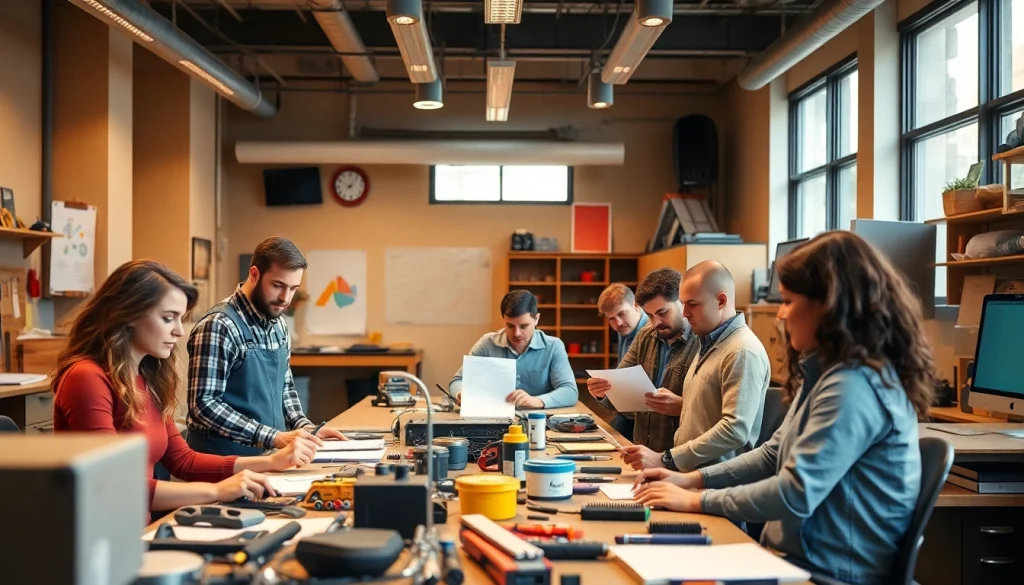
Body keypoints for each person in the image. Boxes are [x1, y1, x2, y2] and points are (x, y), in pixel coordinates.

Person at [633, 231, 935, 584]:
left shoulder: (854, 387)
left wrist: (697, 501)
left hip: (822, 573)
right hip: (792, 560)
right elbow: (771, 454)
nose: (780, 312)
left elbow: (795, 493)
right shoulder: (826, 374)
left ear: (830, 304)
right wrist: (690, 479)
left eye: (790, 300)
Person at [52, 260, 319, 513]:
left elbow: (184, 461)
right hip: (99, 540)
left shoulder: (147, 377)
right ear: (129, 315)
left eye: (181, 319)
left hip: (137, 529)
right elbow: (113, 485)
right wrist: (216, 492)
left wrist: (270, 462)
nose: (180, 331)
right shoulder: (86, 377)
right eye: (169, 318)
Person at [187, 237, 346, 456]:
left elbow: (285, 386)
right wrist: (274, 437)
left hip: (267, 456)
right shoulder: (219, 326)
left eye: (293, 289)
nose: (285, 298)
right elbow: (204, 405)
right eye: (278, 286)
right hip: (221, 462)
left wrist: (305, 429)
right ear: (254, 274)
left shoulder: (278, 324)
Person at [622, 261, 769, 471]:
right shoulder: (709, 343)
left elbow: (734, 430)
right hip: (691, 474)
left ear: (720, 301)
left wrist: (667, 459)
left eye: (693, 303)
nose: (685, 312)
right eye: (683, 303)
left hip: (715, 483)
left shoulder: (742, 351)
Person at [587, 268, 699, 453]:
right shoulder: (645, 335)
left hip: (681, 454)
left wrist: (682, 407)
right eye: (650, 316)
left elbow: (716, 413)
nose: (656, 323)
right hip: (643, 448)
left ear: (682, 302)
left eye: (663, 312)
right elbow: (617, 388)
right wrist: (602, 391)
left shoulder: (702, 340)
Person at [449, 289, 577, 409]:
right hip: (494, 418)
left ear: (536, 319)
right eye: (510, 326)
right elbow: (457, 381)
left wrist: (537, 401)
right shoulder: (487, 344)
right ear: (504, 320)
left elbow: (570, 391)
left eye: (524, 326)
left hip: (539, 422)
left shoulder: (553, 346)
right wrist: (461, 393)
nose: (517, 333)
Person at [598, 283, 648, 438]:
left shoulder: (650, 330)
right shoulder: (624, 329)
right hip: (627, 413)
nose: (618, 323)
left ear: (636, 305)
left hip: (646, 418)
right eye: (611, 319)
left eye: (622, 314)